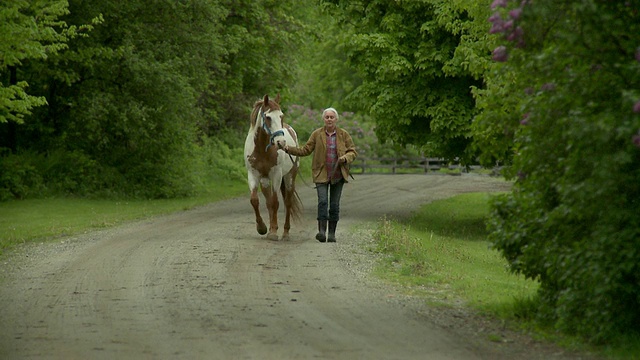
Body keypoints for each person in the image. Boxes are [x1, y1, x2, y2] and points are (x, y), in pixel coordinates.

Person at [283, 107, 357, 243]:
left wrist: (345, 158)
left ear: (336, 119)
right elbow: (305, 150)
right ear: (323, 119)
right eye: (327, 117)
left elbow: (352, 151)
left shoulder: (343, 134)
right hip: (321, 174)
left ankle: (332, 234)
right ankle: (321, 232)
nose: (329, 119)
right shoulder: (317, 134)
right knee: (322, 202)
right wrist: (288, 149)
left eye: (331, 117)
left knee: (334, 205)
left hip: (338, 175)